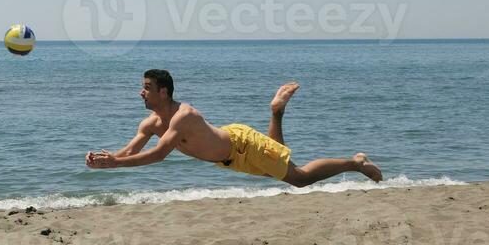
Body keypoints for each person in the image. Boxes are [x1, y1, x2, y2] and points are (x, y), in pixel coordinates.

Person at [85, 70, 382, 187]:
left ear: (164, 92)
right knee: (283, 169)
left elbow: (160, 154)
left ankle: (355, 163)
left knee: (299, 177)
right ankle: (277, 112)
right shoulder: (149, 123)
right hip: (231, 159)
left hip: (243, 145)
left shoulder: (183, 116)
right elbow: (129, 151)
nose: (142, 92)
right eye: (142, 87)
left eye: (147, 88)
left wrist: (116, 163)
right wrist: (107, 161)